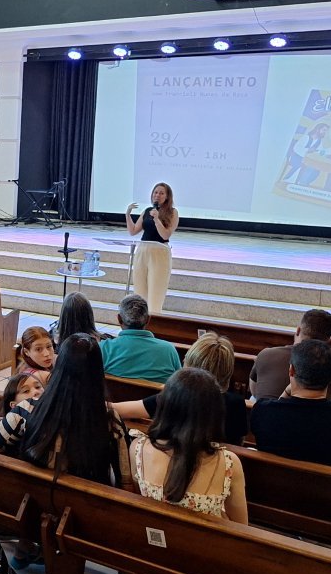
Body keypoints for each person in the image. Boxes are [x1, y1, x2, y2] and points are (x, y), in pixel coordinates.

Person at [0, 335, 129, 489]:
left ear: (59, 367)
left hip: (32, 496)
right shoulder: (110, 420)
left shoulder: (25, 410)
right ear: (98, 371)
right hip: (89, 500)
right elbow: (126, 482)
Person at [132, 368, 248, 523]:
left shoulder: (138, 448)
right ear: (214, 413)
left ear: (165, 405)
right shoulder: (229, 463)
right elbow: (241, 526)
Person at [250, 339, 331, 471]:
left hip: (273, 481)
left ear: (291, 371)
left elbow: (276, 408)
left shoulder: (263, 411)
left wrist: (286, 393)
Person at [113, 332, 248, 445]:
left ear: (189, 369)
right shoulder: (236, 404)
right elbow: (238, 444)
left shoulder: (173, 397)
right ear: (227, 372)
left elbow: (116, 410)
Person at [250, 308, 331, 404]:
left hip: (267, 415)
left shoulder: (266, 355)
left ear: (298, 330)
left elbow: (254, 391)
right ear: (328, 340)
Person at [99, 293, 181, 383]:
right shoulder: (168, 350)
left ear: (119, 319)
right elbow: (179, 384)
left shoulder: (103, 348)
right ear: (148, 320)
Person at [125, 182, 178, 312]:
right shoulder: (147, 211)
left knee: (156, 291)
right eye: (155, 192)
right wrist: (128, 214)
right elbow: (133, 231)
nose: (157, 195)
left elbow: (165, 235)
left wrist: (157, 219)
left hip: (159, 252)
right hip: (143, 251)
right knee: (139, 291)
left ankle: (154, 319)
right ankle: (139, 318)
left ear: (167, 196)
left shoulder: (172, 212)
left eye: (161, 193)